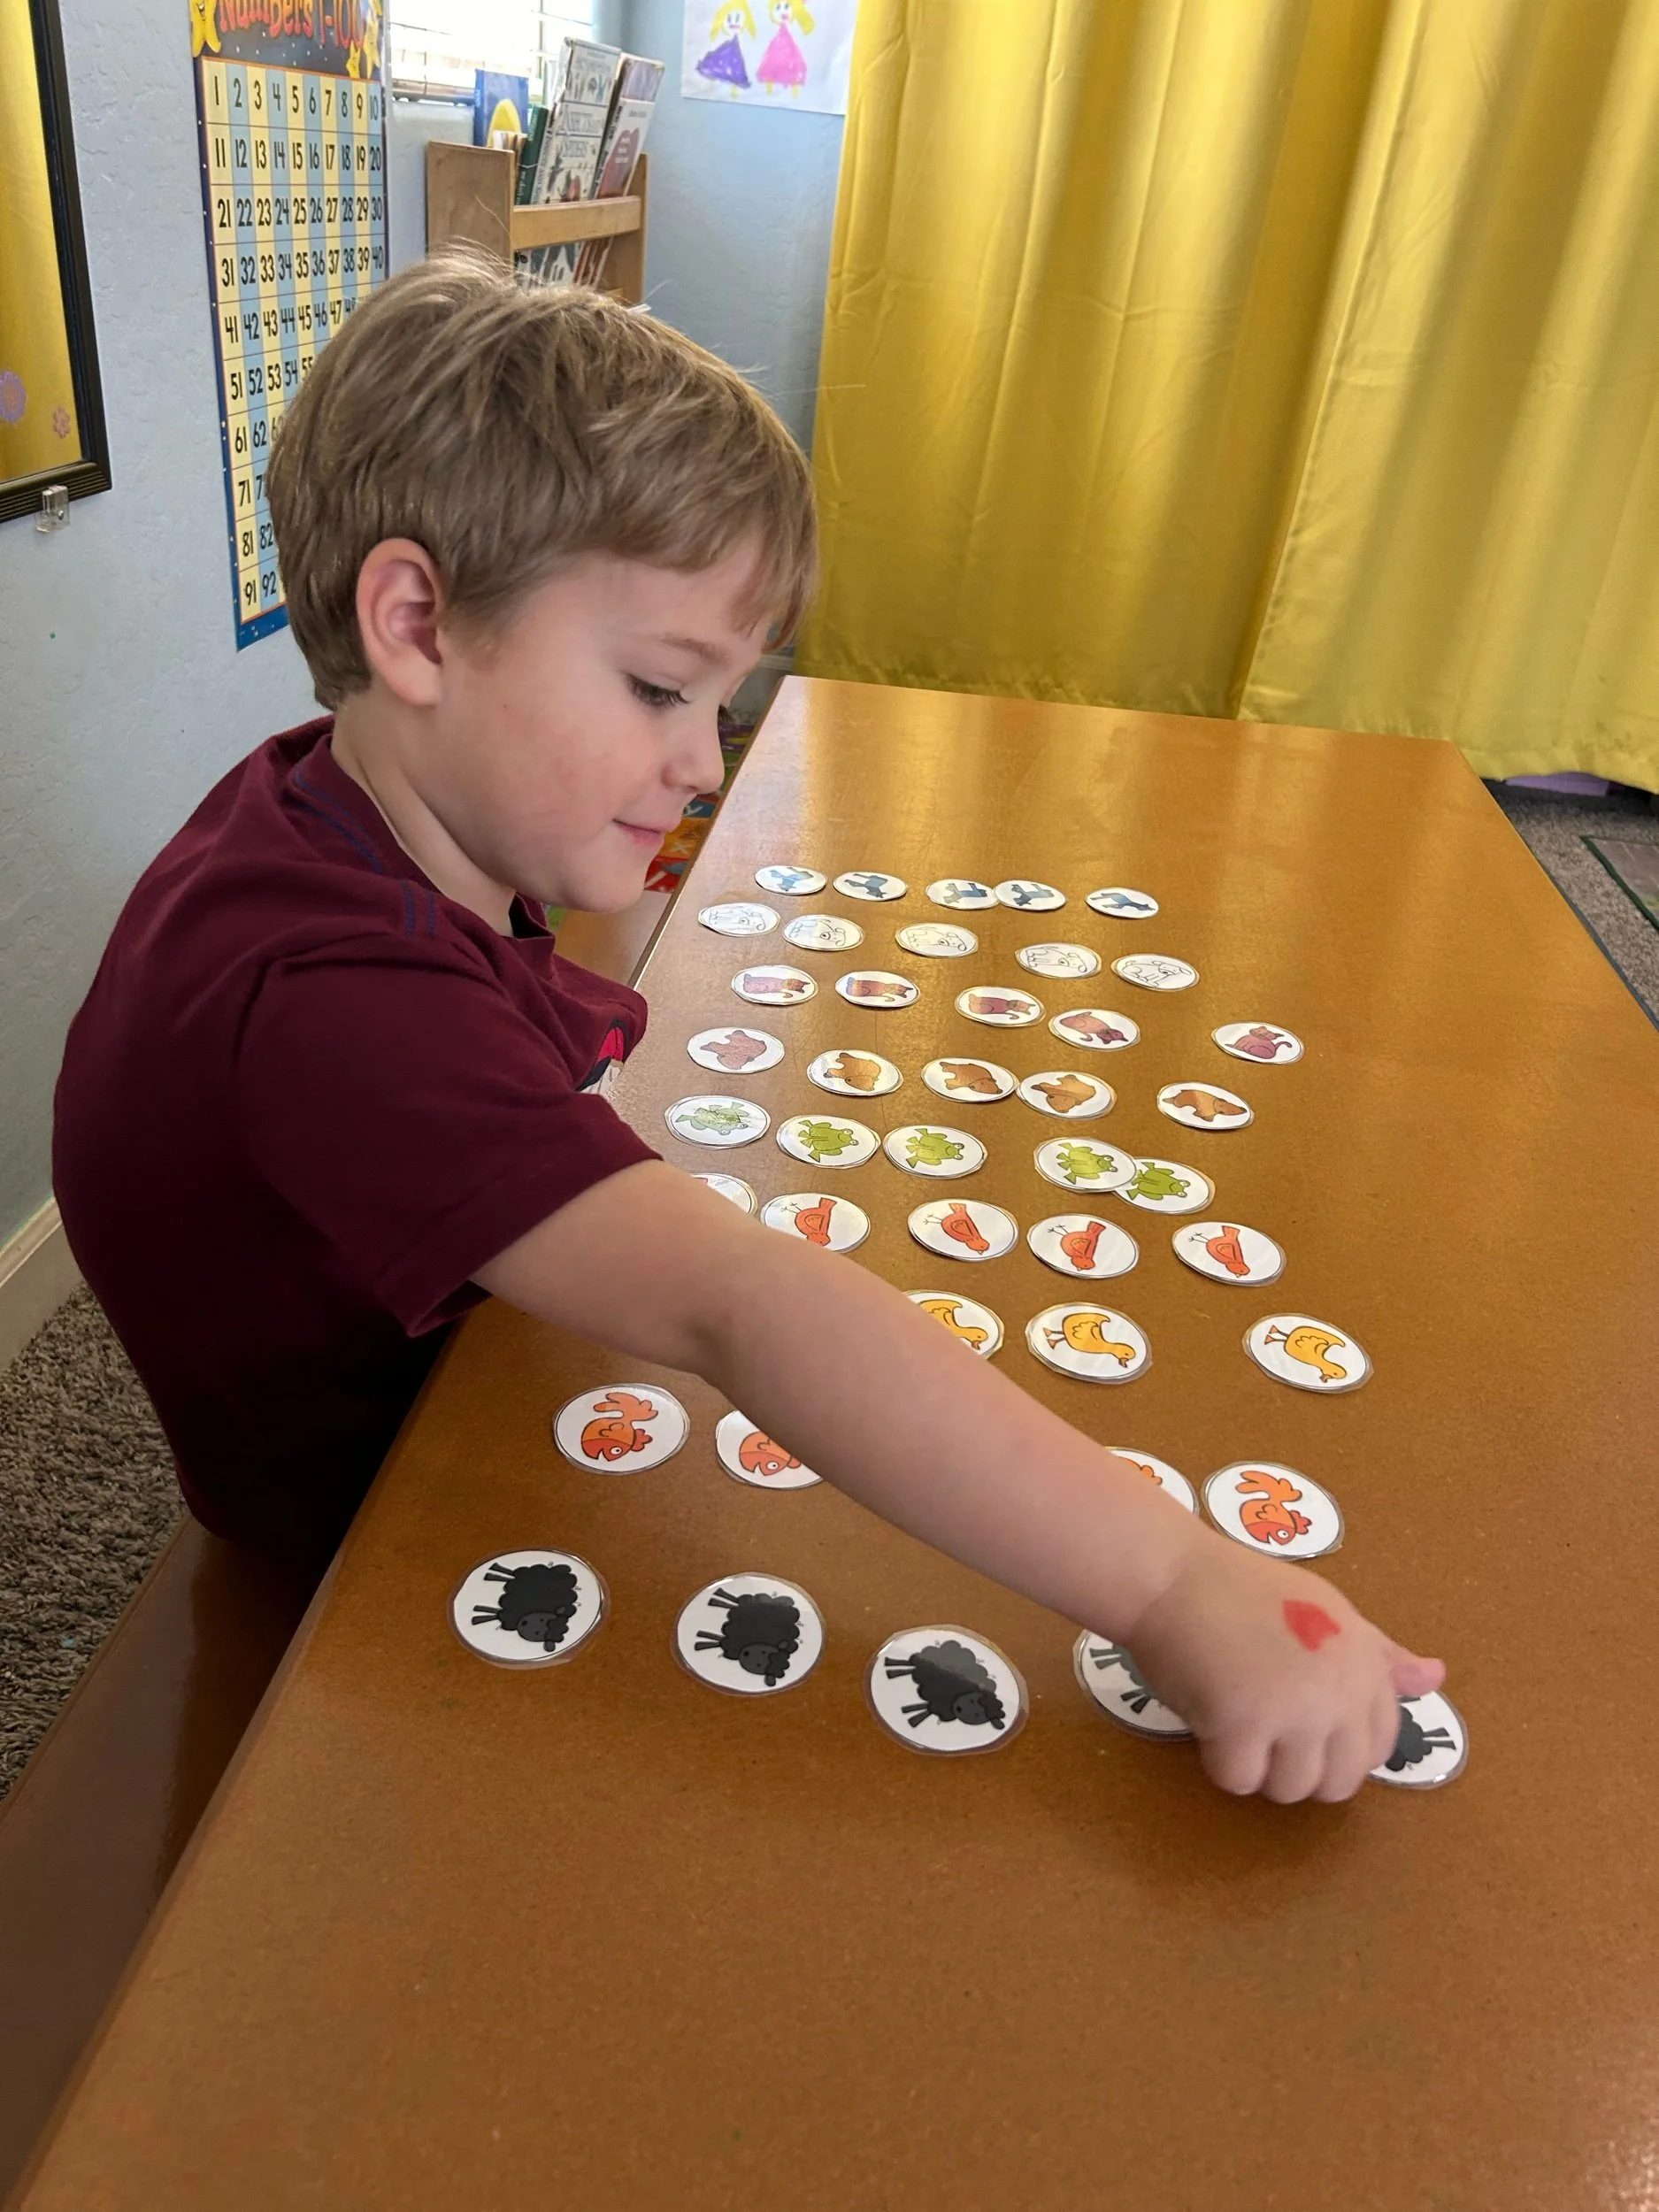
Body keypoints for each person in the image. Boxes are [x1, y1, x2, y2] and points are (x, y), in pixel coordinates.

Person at [52, 253, 1442, 1803]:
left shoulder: (330, 796)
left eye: (718, 703)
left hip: (464, 1381)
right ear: (419, 626)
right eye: (660, 688)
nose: (703, 764)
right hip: (366, 1532)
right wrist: (1176, 1581)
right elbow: (739, 1310)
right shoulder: (333, 1001)